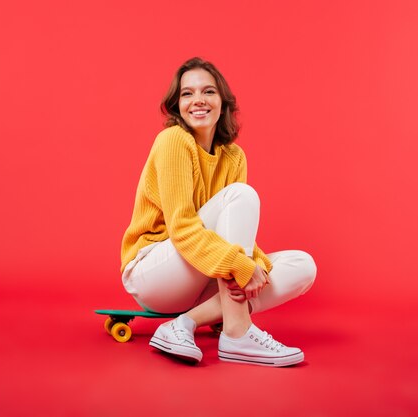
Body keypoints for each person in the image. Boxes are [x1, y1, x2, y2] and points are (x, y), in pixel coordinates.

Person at [120, 57, 316, 367]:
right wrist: (243, 264)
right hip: (154, 273)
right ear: (176, 105)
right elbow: (183, 229)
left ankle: (183, 324)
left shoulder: (234, 156)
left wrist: (254, 264)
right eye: (187, 93)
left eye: (208, 91)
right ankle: (238, 333)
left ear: (222, 102)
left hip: (203, 278)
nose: (198, 100)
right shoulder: (172, 141)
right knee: (242, 196)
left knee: (303, 266)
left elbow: (232, 233)